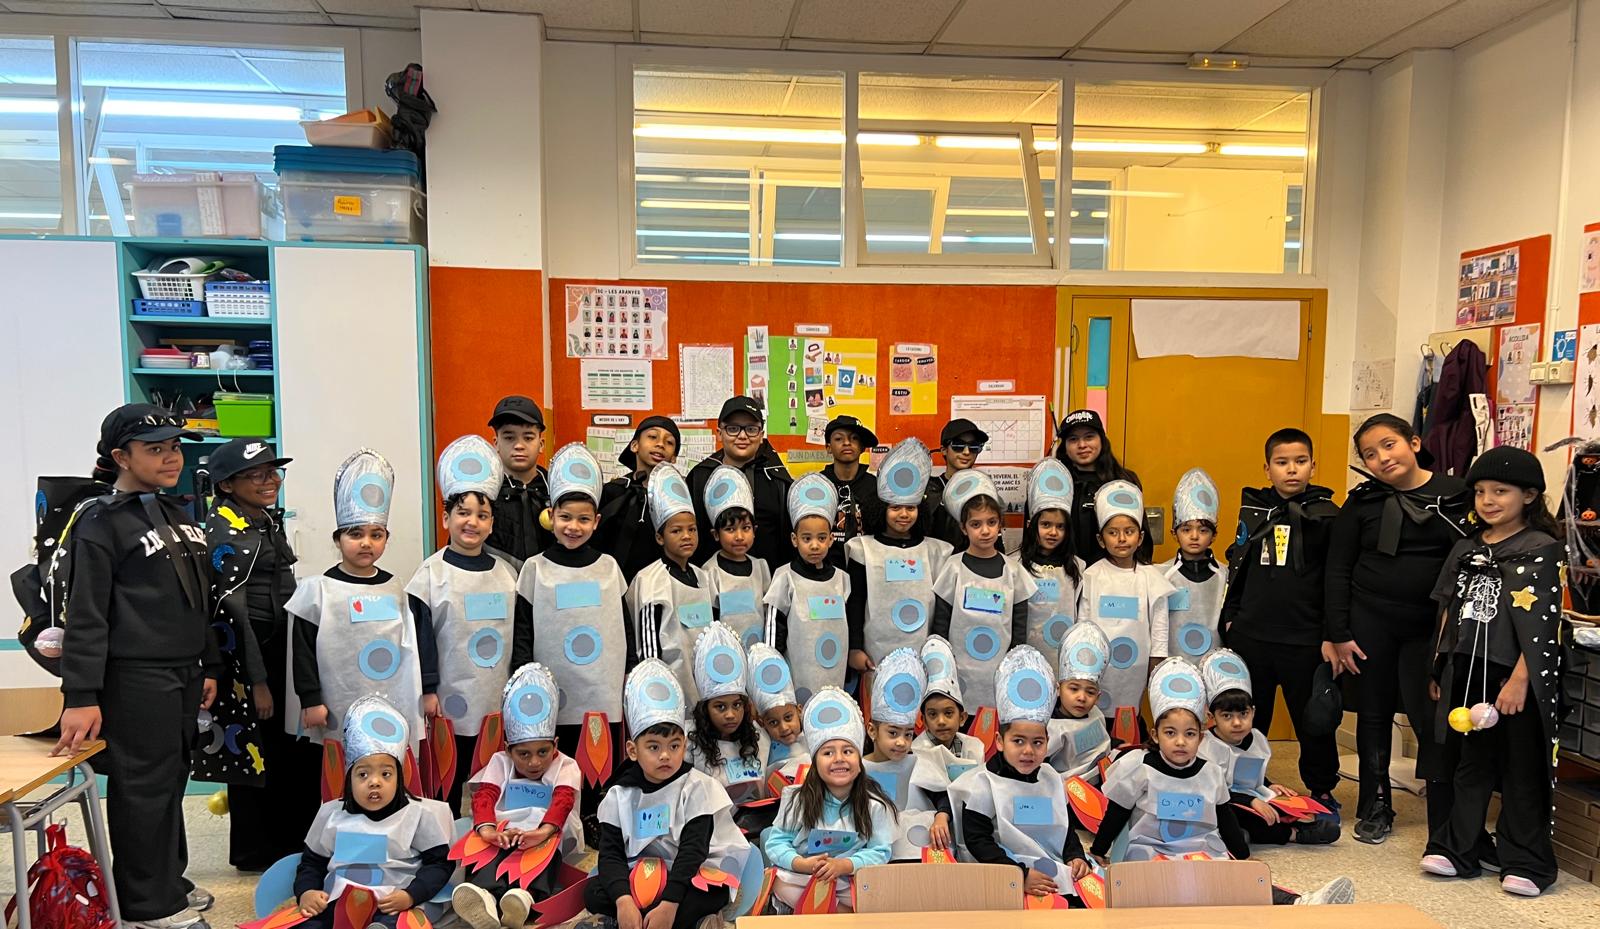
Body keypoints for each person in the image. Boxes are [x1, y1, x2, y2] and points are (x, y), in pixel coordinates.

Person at [55, 404, 219, 929]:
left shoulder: (177, 512)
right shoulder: (100, 521)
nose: (171, 458)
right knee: (142, 788)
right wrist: (81, 695)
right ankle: (147, 906)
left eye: (174, 447)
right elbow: (86, 612)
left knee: (171, 780)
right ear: (121, 456)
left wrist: (208, 664)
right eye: (155, 449)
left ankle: (168, 881)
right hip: (135, 677)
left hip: (184, 672)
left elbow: (197, 599)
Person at [1091, 659, 1355, 906]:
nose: (1180, 741)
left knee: (1233, 883)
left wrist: (1243, 857)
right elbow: (1117, 813)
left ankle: (1299, 902)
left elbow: (1225, 819)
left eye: (1189, 734)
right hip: (1151, 850)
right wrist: (1098, 850)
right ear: (1156, 734)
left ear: (1201, 737)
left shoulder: (1211, 773)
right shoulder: (1138, 768)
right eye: (1170, 733)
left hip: (1201, 848)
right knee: (1152, 889)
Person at [1421, 447, 1564, 896]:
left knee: (1520, 766)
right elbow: (1447, 610)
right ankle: (1458, 848)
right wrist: (1438, 667)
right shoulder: (1465, 547)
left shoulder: (1541, 549)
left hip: (1514, 672)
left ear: (1529, 495)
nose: (1488, 500)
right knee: (1470, 762)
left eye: (1500, 491)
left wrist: (1522, 679)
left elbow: (1545, 625)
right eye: (1481, 491)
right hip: (1466, 666)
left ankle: (1526, 861)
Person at [1326, 413, 1471, 844]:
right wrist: (1338, 632)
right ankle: (1375, 804)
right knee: (1373, 713)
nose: (1382, 458)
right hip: (1371, 620)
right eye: (1370, 454)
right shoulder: (1363, 502)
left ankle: (1445, 814)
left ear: (1414, 442)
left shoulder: (1457, 495)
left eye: (1389, 445)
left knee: (1431, 718)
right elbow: (1337, 569)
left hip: (1432, 627)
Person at [200, 438, 321, 871]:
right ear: (226, 484)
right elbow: (230, 612)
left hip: (280, 646)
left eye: (273, 472)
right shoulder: (225, 532)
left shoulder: (263, 518)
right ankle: (258, 852)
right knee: (255, 754)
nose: (270, 481)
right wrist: (258, 681)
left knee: (291, 750)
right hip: (249, 656)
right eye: (256, 474)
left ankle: (295, 843)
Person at [1221, 428, 1343, 820]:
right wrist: (1231, 616)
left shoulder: (1328, 516)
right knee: (1248, 718)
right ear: (1267, 468)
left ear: (1313, 466)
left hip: (1305, 639)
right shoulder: (1255, 511)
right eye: (1282, 462)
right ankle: (1245, 785)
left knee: (1314, 720)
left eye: (1300, 461)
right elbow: (1239, 567)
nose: (1292, 470)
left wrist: (1331, 634)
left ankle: (1322, 788)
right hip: (1252, 635)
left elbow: (1335, 580)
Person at [584, 659, 752, 929]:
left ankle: (654, 918)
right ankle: (640, 916)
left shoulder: (697, 787)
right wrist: (624, 900)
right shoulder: (619, 795)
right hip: (643, 872)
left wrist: (669, 903)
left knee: (709, 894)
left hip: (691, 872)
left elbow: (693, 851)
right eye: (654, 747)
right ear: (632, 751)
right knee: (593, 892)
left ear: (683, 745)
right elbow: (611, 854)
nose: (665, 755)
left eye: (674, 746)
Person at [515, 443, 631, 832]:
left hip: (601, 684)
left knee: (600, 752)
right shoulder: (535, 569)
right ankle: (559, 818)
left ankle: (597, 816)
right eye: (565, 517)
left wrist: (629, 669)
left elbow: (624, 623)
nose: (573, 527)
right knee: (559, 751)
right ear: (551, 516)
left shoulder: (609, 567)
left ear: (596, 521)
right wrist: (522, 673)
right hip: (556, 684)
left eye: (583, 519)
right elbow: (524, 626)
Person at [288, 450, 430, 758]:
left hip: (391, 699)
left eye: (376, 535)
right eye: (355, 534)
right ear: (337, 539)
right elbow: (303, 651)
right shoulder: (318, 591)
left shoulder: (397, 588)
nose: (366, 543)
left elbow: (410, 651)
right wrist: (311, 700)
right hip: (336, 700)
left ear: (386, 539)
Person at [407, 436, 522, 811]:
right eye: (463, 513)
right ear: (446, 518)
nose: (472, 522)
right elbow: (421, 637)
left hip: (494, 696)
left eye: (482, 515)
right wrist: (427, 689)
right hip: (447, 699)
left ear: (491, 524)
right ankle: (443, 831)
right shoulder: (430, 575)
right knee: (447, 775)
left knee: (492, 774)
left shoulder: (507, 575)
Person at [292, 696, 453, 929]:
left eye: (385, 774)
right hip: (338, 900)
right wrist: (307, 891)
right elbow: (311, 863)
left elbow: (439, 865)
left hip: (393, 904)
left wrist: (411, 895)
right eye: (363, 774)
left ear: (399, 778)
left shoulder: (419, 815)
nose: (374, 782)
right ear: (349, 778)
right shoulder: (330, 815)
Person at [951, 646, 1089, 907]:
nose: (1028, 751)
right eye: (1018, 741)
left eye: (1037, 742)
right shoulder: (983, 782)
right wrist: (1019, 875)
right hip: (1007, 871)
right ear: (999, 741)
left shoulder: (1051, 777)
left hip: (1054, 867)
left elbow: (1065, 826)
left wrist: (1075, 855)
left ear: (1047, 742)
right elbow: (978, 840)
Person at [452, 663, 584, 929]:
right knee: (488, 853)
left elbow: (563, 801)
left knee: (543, 856)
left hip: (545, 830)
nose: (535, 762)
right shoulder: (499, 762)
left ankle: (524, 897)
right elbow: (485, 796)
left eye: (543, 752)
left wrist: (542, 832)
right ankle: (487, 898)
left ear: (555, 745)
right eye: (524, 754)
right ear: (508, 749)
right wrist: (489, 831)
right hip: (503, 828)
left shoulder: (566, 765)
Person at [763, 688, 894, 913]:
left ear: (860, 760)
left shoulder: (874, 804)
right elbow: (776, 843)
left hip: (851, 878)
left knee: (881, 891)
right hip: (806, 877)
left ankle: (826, 911)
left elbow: (880, 851)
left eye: (848, 751)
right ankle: (841, 914)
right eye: (828, 753)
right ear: (814, 762)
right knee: (780, 884)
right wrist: (802, 864)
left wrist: (844, 865)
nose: (839, 759)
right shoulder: (797, 799)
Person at [1198, 649, 1339, 852]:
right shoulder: (1207, 746)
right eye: (1227, 716)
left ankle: (1274, 826)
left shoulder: (1256, 739)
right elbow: (1213, 791)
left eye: (1243, 714)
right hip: (1222, 801)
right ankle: (1293, 834)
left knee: (1280, 805)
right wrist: (1251, 801)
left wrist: (1270, 785)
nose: (1237, 723)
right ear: (1212, 717)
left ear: (1253, 712)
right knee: (1236, 814)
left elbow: (1250, 774)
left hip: (1248, 795)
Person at [929, 469, 1035, 715]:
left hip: (999, 670)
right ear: (963, 528)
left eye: (991, 522)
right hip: (958, 670)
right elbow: (941, 622)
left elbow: (1019, 626)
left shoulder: (1013, 571)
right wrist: (941, 663)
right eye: (976, 524)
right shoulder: (953, 567)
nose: (985, 531)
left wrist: (1013, 664)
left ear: (1000, 524)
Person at [844, 438, 952, 675]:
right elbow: (856, 603)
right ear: (881, 509)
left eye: (911, 508)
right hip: (875, 654)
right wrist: (854, 648)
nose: (904, 514)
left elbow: (943, 610)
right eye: (895, 508)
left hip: (923, 654)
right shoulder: (863, 550)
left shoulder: (936, 552)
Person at [1075, 481, 1173, 738]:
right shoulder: (1091, 576)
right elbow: (1084, 623)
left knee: (1128, 717)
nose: (1121, 539)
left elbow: (1159, 625)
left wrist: (1156, 662)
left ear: (1140, 537)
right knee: (1097, 717)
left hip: (1136, 669)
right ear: (1101, 539)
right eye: (1113, 532)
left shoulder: (1151, 577)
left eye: (1129, 531)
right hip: (1099, 667)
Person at [629, 462, 715, 703]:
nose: (686, 536)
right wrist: (657, 691)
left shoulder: (703, 577)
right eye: (676, 531)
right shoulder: (650, 580)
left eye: (692, 530)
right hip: (667, 690)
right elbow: (648, 647)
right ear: (660, 537)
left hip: (705, 686)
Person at [764, 474, 852, 704]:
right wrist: (773, 672)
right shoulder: (785, 577)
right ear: (794, 540)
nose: (815, 545)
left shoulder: (842, 580)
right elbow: (774, 631)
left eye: (821, 538)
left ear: (831, 539)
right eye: (807, 538)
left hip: (835, 673)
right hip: (796, 677)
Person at [860, 647, 953, 861]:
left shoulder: (919, 762)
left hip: (919, 853)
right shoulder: (859, 769)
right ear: (872, 731)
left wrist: (942, 817)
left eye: (908, 734)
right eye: (893, 733)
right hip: (874, 854)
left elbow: (943, 796)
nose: (902, 742)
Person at [689, 396, 794, 568]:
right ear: (719, 433)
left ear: (761, 435)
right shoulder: (700, 478)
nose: (743, 436)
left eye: (751, 429)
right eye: (733, 428)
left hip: (768, 579)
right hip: (713, 579)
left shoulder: (778, 481)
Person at [1013, 458, 1083, 672]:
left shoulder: (1078, 567)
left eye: (1060, 526)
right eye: (1045, 525)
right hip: (1025, 658)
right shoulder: (1015, 565)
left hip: (1065, 660)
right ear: (1031, 525)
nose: (1053, 532)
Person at [685, 622, 770, 800]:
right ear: (705, 708)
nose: (731, 715)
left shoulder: (758, 737)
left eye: (737, 705)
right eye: (720, 707)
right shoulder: (690, 745)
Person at [1053, 409, 1147, 566]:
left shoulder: (1124, 481)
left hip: (1114, 573)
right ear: (1065, 446)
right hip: (1065, 571)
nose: (1082, 445)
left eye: (1089, 437)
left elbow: (1141, 536)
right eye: (1073, 439)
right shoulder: (1055, 483)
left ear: (1102, 440)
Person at [596, 416, 681, 582]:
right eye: (652, 437)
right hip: (614, 582)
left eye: (669, 442)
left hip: (661, 584)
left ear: (674, 458)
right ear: (634, 445)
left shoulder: (677, 498)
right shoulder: (613, 491)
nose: (660, 444)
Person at [701, 465, 771, 649]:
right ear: (716, 534)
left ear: (754, 531)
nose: (739, 536)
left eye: (745, 528)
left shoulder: (761, 568)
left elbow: (768, 613)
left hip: (759, 652)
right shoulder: (710, 571)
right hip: (725, 654)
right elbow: (710, 621)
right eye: (730, 529)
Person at [1160, 468, 1225, 661]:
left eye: (1203, 530)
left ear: (1214, 535)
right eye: (1186, 529)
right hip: (1174, 665)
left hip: (1214, 664)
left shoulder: (1225, 575)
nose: (1194, 536)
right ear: (1174, 533)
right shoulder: (1162, 575)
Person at [486, 396, 553, 561]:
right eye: (509, 438)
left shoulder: (557, 490)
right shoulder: (482, 493)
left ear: (541, 444)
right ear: (496, 443)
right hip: (495, 577)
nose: (519, 446)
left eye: (528, 437)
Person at [1046, 623, 1113, 784]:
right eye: (1074, 689)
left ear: (1098, 697)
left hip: (1102, 778)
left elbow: (1102, 741)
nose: (1082, 697)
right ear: (1058, 689)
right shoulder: (1050, 726)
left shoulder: (1096, 713)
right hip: (1066, 787)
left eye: (1090, 692)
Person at [819, 415, 884, 567]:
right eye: (839, 439)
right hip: (826, 567)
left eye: (854, 438)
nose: (847, 442)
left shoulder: (876, 486)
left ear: (862, 447)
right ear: (828, 447)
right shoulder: (818, 484)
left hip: (867, 566)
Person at [912, 635, 984, 768]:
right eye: (932, 714)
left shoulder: (974, 749)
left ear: (962, 718)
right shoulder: (917, 752)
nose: (941, 721)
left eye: (948, 713)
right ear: (924, 721)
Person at [921, 418, 989, 550]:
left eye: (974, 446)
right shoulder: (928, 490)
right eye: (958, 445)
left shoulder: (984, 490)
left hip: (972, 561)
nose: (966, 452)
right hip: (934, 561)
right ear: (944, 450)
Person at [747, 642, 810, 781]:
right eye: (773, 723)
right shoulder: (763, 749)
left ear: (799, 711)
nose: (784, 728)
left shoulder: (811, 738)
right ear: (762, 723)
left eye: (788, 718)